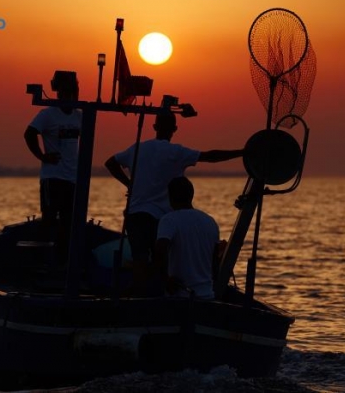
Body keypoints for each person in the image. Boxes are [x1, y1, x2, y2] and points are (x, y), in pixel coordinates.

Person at [104, 111, 242, 293]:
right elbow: (210, 156)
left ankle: (139, 295)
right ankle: (160, 293)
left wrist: (129, 184)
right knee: (162, 258)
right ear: (174, 129)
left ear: (154, 127)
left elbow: (110, 163)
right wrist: (242, 152)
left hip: (136, 214)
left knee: (139, 257)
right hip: (161, 217)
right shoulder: (177, 152)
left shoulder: (137, 148)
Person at [23, 71, 81, 264]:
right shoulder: (48, 114)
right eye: (63, 92)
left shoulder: (80, 115)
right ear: (58, 93)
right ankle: (42, 263)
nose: (67, 96)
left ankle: (63, 262)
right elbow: (29, 134)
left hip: (72, 178)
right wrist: (42, 156)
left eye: (71, 92)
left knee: (69, 222)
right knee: (49, 220)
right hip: (53, 177)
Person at [154, 176, 218, 299]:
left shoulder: (169, 220)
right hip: (208, 295)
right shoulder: (210, 221)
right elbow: (215, 262)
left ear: (170, 197)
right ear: (191, 195)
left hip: (180, 297)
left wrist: (165, 279)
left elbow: (160, 250)